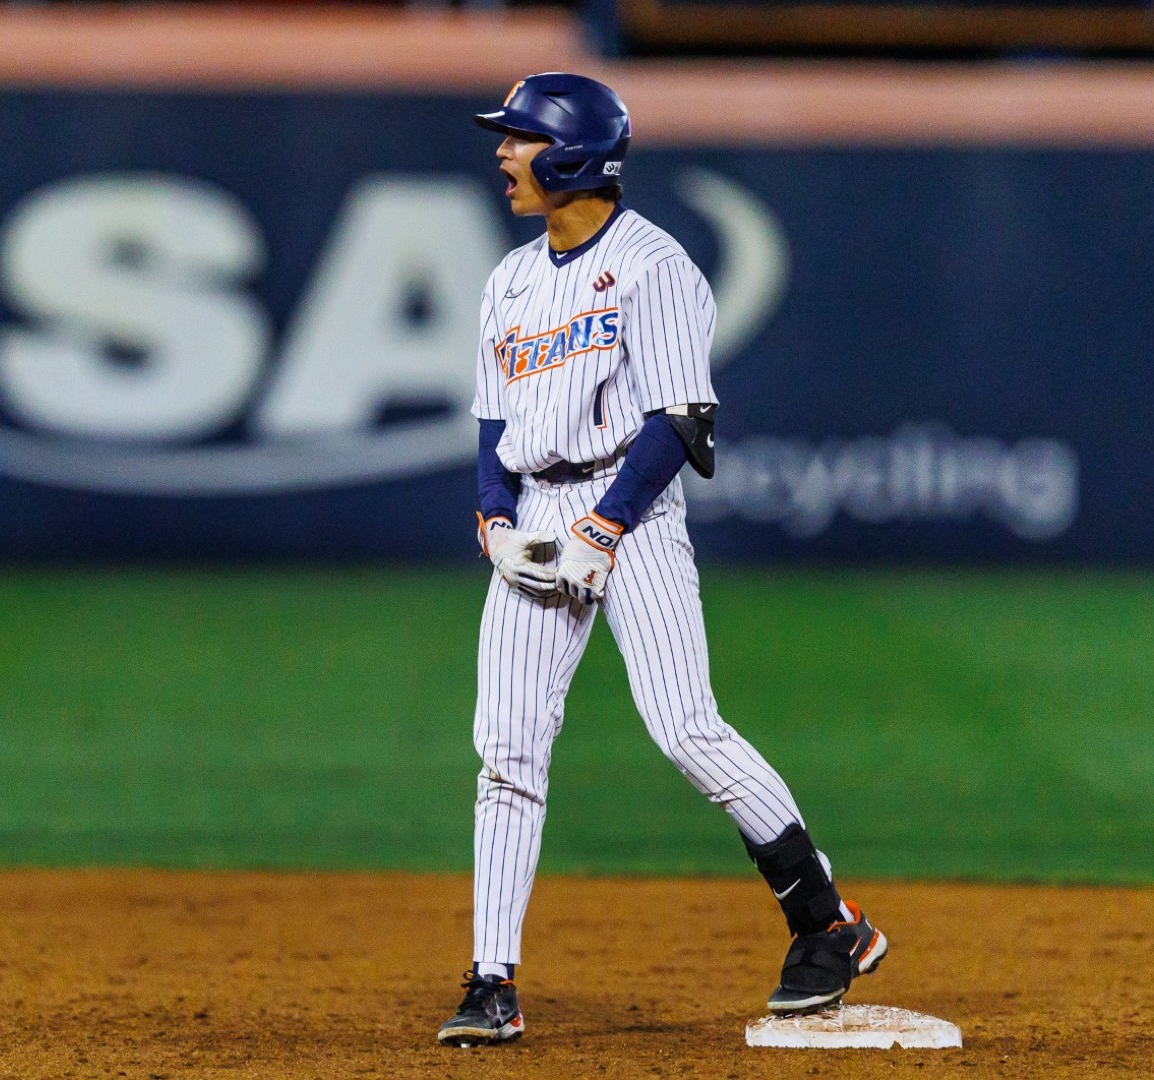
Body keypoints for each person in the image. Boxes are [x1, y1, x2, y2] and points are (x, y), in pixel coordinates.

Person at [436, 72, 887, 1048]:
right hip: (536, 511)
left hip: (629, 510)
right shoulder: (507, 281)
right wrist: (491, 516)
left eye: (517, 139)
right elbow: (488, 422)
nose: (502, 155)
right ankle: (489, 980)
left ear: (566, 156)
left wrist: (604, 527)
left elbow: (678, 415)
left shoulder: (655, 267)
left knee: (683, 726)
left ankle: (825, 922)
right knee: (505, 751)